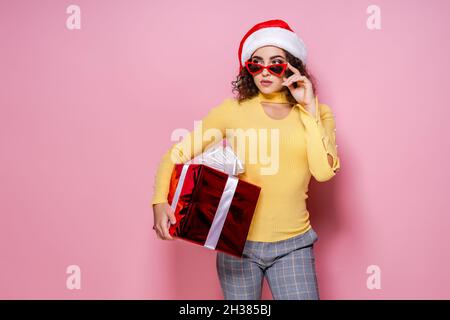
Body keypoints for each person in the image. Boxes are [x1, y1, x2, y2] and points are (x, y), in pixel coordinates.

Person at [151, 19, 340, 300]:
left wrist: (309, 108)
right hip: (237, 244)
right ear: (247, 68)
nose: (265, 72)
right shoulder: (233, 111)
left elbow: (323, 172)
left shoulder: (316, 113)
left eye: (275, 64)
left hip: (294, 245)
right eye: (256, 64)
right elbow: (175, 155)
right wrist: (159, 202)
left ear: (292, 67)